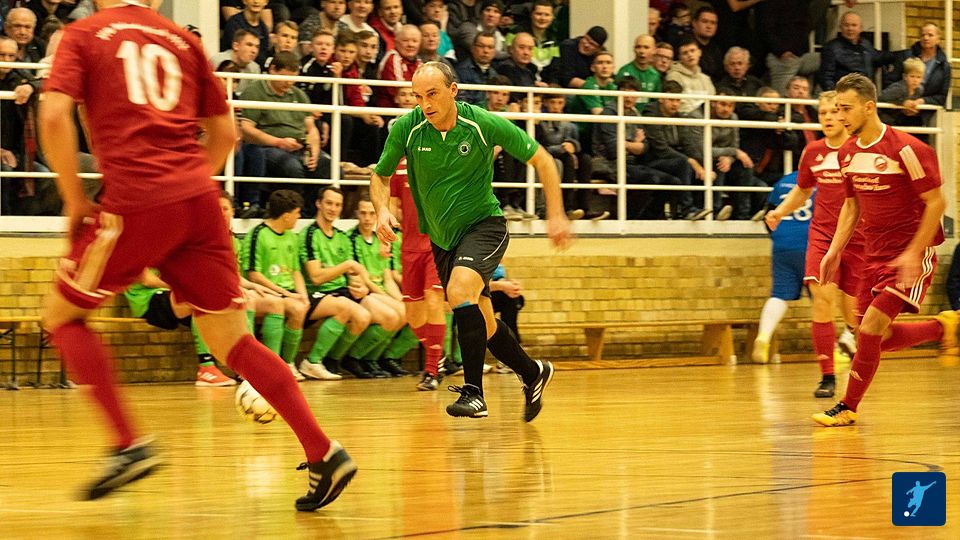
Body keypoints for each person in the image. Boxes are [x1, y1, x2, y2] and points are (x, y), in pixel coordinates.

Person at [38, 0, 355, 509]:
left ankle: (127, 444)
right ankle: (323, 451)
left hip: (136, 198)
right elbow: (226, 133)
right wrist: (185, 187)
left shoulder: (85, 34)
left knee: (62, 316)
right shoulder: (183, 40)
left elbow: (53, 114)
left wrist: (75, 198)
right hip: (201, 201)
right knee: (233, 340)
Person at [370, 62, 570, 420]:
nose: (425, 104)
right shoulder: (407, 128)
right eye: (418, 97)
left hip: (484, 226)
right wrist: (382, 210)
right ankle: (532, 372)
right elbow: (380, 176)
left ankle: (473, 392)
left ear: (453, 91)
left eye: (432, 94)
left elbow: (543, 160)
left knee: (460, 291)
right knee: (484, 323)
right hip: (442, 239)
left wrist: (555, 214)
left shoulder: (481, 123)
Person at [812, 74, 955, 427]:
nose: (840, 116)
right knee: (874, 337)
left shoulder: (906, 149)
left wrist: (913, 253)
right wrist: (834, 250)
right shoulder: (847, 153)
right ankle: (945, 327)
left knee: (872, 327)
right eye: (836, 109)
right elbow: (851, 206)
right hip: (872, 256)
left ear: (869, 107)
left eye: (846, 109)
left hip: (911, 253)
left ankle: (847, 407)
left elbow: (937, 202)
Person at [764, 91, 860, 397]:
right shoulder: (813, 151)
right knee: (821, 298)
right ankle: (827, 376)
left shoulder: (859, 149)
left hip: (856, 237)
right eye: (822, 113)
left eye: (833, 112)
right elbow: (803, 190)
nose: (828, 118)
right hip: (821, 236)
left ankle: (854, 335)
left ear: (845, 114)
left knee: (853, 309)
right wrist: (780, 211)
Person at [755, 171, 812, 364]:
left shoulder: (783, 181)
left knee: (779, 295)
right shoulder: (825, 180)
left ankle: (763, 337)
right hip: (812, 243)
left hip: (782, 242)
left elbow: (768, 214)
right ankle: (836, 348)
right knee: (823, 299)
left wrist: (778, 237)